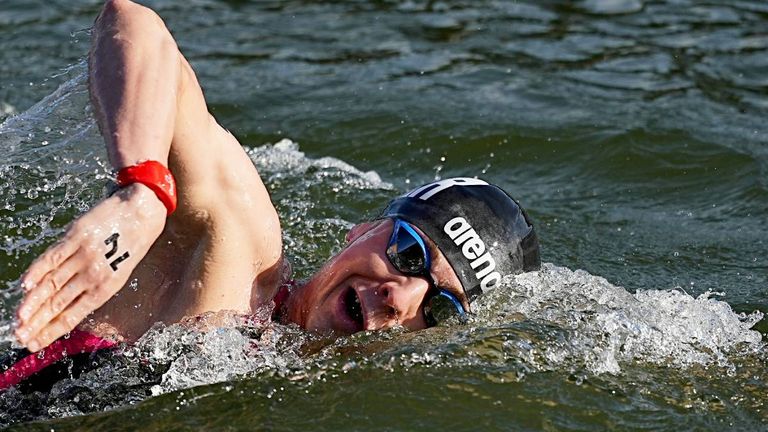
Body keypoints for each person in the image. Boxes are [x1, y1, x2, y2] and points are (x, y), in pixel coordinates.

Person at [3, 0, 540, 390]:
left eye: (441, 308)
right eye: (408, 252)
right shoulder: (237, 256)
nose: (401, 296)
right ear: (363, 230)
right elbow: (135, 25)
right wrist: (144, 190)